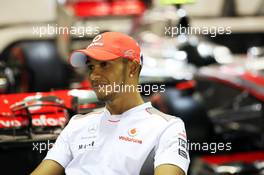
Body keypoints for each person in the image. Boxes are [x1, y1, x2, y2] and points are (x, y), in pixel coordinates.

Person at [31, 32, 190, 175]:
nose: (94, 75)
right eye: (91, 66)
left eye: (104, 64)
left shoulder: (167, 127)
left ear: (133, 68)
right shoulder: (77, 124)